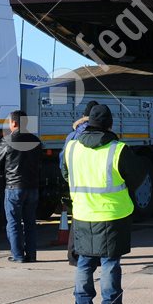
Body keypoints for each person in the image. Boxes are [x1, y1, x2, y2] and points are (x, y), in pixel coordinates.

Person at [62, 104, 149, 304]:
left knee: (84, 262)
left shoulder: (72, 147)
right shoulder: (118, 149)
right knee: (110, 263)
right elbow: (138, 176)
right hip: (112, 214)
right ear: (110, 124)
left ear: (88, 122)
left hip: (83, 213)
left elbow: (65, 173)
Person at [0, 111, 43, 263]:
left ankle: (18, 255)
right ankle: (31, 254)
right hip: (32, 187)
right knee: (30, 223)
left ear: (14, 123)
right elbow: (40, 164)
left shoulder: (7, 141)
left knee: (14, 223)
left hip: (14, 187)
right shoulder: (36, 141)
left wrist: (2, 174)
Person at [61, 101, 101, 265]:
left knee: (77, 220)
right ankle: (93, 255)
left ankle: (73, 255)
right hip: (96, 184)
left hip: (77, 185)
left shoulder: (72, 136)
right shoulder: (101, 136)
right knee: (95, 222)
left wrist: (70, 180)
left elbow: (63, 162)